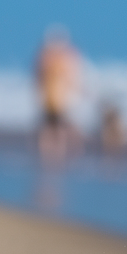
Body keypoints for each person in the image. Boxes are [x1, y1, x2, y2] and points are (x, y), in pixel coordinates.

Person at [35, 25, 82, 162]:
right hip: (59, 99)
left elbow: (37, 77)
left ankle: (49, 156)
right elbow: (73, 78)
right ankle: (55, 156)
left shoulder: (44, 56)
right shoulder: (64, 58)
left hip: (51, 98)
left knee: (51, 128)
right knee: (57, 129)